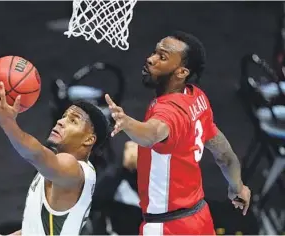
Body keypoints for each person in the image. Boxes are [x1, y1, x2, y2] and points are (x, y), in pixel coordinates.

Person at [105, 31, 251, 235]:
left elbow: (153, 133)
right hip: (199, 220)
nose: (150, 59)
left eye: (162, 57)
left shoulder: (169, 111)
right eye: (155, 52)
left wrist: (127, 123)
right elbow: (226, 156)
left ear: (182, 72)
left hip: (167, 227)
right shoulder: (196, 97)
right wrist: (238, 187)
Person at [0, 81, 109, 235]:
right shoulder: (59, 170)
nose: (60, 122)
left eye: (73, 121)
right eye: (64, 117)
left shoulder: (73, 167)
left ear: (89, 139)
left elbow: (36, 154)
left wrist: (7, 122)